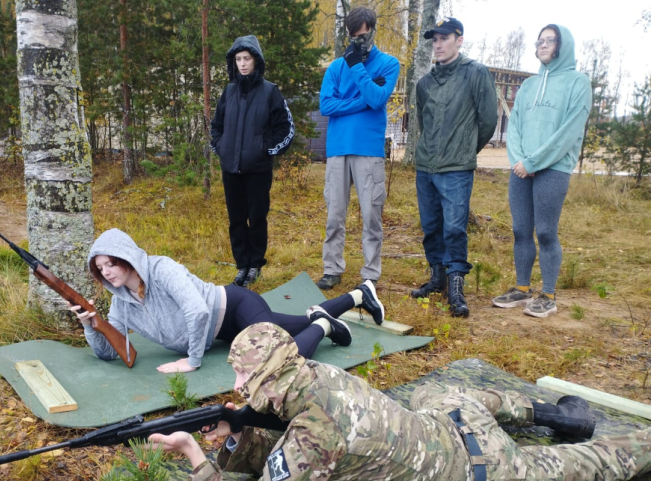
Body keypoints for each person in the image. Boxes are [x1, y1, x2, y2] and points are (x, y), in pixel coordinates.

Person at [149, 322, 651, 481]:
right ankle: (544, 411)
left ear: (275, 381)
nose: (238, 388)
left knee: (587, 469)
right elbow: (293, 450)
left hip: (479, 477)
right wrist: (235, 439)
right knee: (443, 391)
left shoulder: (311, 437)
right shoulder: (318, 374)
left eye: (247, 380)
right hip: (450, 421)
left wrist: (197, 458)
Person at [69, 229, 385, 373]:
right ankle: (360, 295)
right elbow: (112, 353)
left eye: (111, 263)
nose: (107, 273)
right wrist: (90, 326)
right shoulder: (121, 304)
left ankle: (326, 329)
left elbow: (198, 311)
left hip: (234, 306)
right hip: (224, 335)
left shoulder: (161, 268)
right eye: (100, 269)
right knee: (299, 323)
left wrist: (192, 362)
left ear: (128, 257)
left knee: (276, 362)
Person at [492, 25, 591, 318]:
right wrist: (520, 161)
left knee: (546, 232)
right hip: (521, 169)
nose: (543, 45)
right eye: (540, 41)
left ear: (564, 45)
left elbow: (569, 132)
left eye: (551, 40)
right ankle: (522, 289)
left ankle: (548, 294)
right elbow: (515, 126)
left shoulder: (578, 82)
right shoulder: (529, 86)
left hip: (554, 168)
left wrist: (534, 162)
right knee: (520, 229)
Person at [411, 17, 498, 317]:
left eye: (444, 38)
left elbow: (488, 121)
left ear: (459, 40)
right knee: (431, 225)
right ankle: (438, 278)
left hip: (456, 168)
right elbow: (423, 123)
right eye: (434, 39)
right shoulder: (424, 83)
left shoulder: (476, 73)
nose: (437, 44)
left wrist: (464, 150)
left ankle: (457, 287)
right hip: (426, 166)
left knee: (455, 228)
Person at [315, 6, 400, 291]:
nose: (359, 41)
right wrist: (362, 101)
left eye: (363, 35)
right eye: (354, 36)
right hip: (338, 149)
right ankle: (332, 268)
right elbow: (326, 105)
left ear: (373, 31)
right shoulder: (337, 67)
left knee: (371, 215)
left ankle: (370, 273)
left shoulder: (389, 64)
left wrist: (359, 71)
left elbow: (378, 98)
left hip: (368, 149)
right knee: (334, 214)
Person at [211, 35, 294, 289]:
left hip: (257, 169)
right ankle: (241, 266)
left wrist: (264, 150)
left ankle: (255, 265)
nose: (243, 64)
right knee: (236, 219)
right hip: (231, 170)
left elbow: (286, 129)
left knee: (256, 218)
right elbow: (216, 126)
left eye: (247, 58)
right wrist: (222, 148)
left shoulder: (270, 91)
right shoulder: (229, 91)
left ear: (256, 60)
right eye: (238, 59)